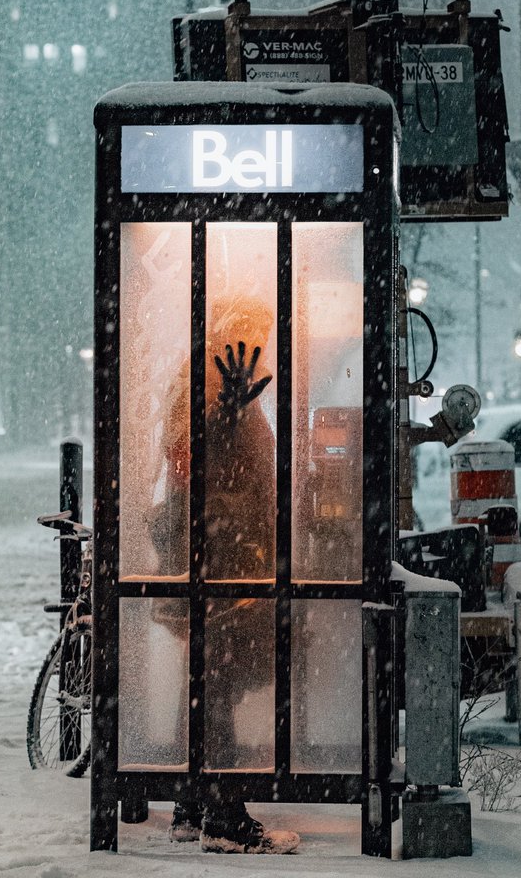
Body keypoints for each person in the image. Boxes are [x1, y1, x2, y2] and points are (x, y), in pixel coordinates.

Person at [151, 296, 299, 855]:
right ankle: (225, 812)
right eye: (257, 330)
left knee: (210, 683)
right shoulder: (210, 380)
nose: (263, 343)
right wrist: (227, 417)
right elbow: (188, 455)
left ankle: (193, 803)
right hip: (219, 559)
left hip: (219, 555)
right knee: (220, 680)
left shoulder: (215, 380)